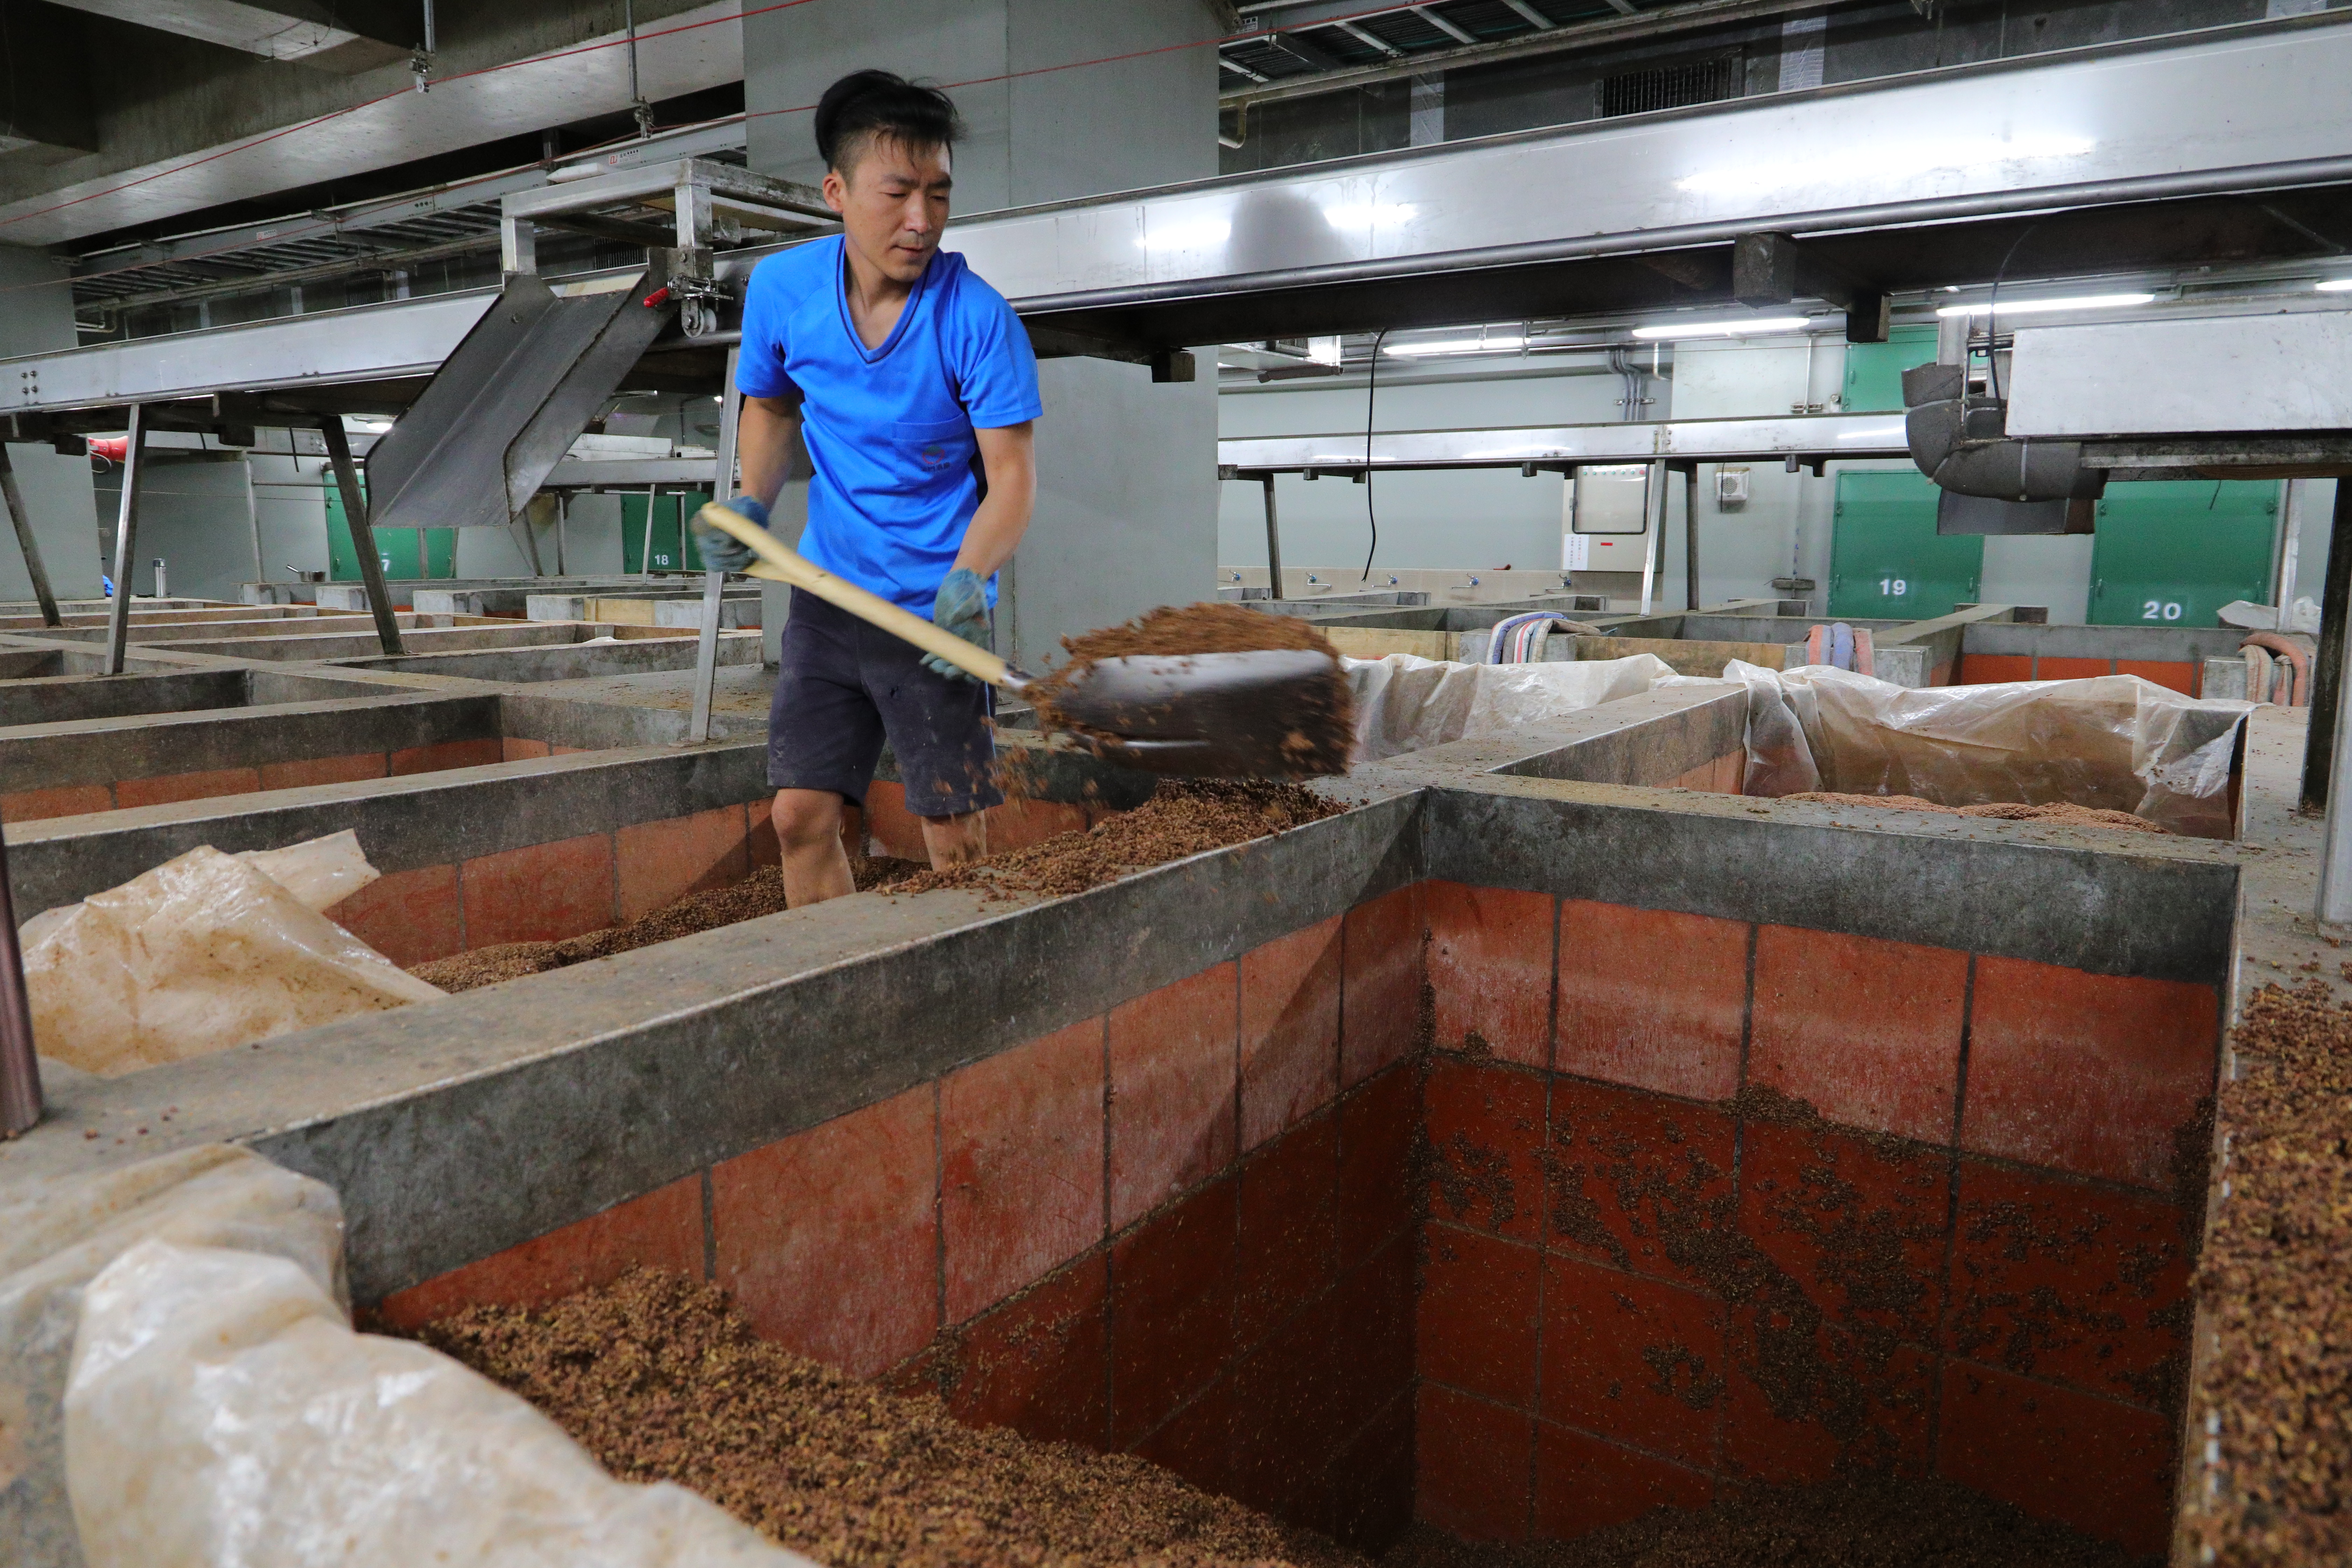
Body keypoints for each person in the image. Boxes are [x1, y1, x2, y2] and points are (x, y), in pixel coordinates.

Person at [695, 70, 1040, 908]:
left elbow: (1013, 481)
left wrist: (968, 579)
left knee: (951, 831)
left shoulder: (977, 318)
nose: (921, 221)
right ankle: (835, 979)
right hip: (826, 598)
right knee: (800, 814)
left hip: (935, 611)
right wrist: (752, 500)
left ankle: (969, 998)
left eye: (939, 194)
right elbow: (772, 407)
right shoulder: (783, 291)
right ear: (838, 191)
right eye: (898, 193)